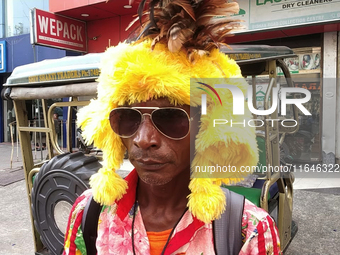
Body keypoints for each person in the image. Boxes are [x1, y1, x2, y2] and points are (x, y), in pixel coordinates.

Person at [63, 1, 281, 254]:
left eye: (170, 118)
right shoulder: (88, 213)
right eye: (127, 118)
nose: (143, 140)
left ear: (208, 128)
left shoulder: (248, 230)